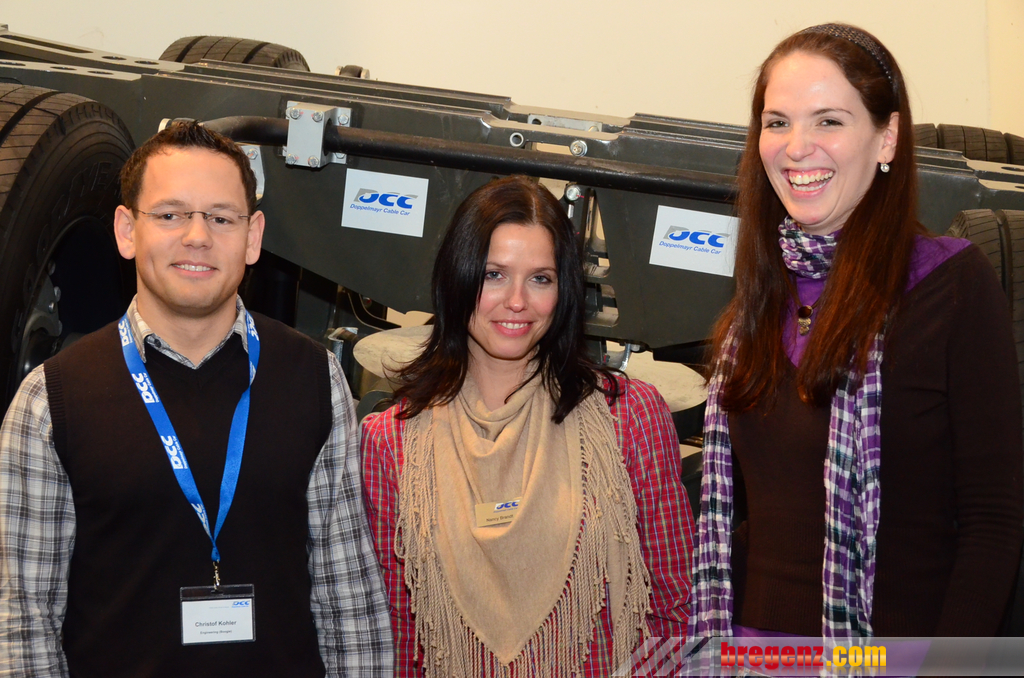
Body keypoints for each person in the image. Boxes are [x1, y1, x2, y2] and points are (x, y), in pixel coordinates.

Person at [0, 121, 392, 676]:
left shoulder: (315, 378)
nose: (197, 236)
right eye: (170, 215)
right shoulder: (50, 400)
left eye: (221, 217)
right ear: (126, 230)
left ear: (252, 237)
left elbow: (348, 595)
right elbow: (23, 619)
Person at [689, 23, 1024, 641]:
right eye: (777, 122)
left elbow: (994, 523)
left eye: (829, 121)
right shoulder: (756, 303)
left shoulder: (951, 284)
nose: (797, 148)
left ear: (886, 137)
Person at [360, 175, 694, 676]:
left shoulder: (629, 417)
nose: (517, 301)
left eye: (540, 279)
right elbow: (398, 630)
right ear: (458, 278)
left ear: (564, 290)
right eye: (494, 275)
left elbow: (676, 605)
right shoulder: (390, 441)